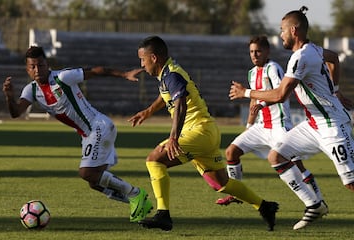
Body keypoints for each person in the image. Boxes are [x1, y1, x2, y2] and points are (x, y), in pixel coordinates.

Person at [128, 35, 279, 231]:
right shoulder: (168, 75)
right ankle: (264, 206)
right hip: (207, 132)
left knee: (155, 160)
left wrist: (173, 137)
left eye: (143, 59)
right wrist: (148, 111)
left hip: (198, 131)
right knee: (220, 183)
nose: (142, 63)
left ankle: (163, 214)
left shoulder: (171, 75)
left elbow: (180, 102)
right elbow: (167, 95)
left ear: (154, 58)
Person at [229, 6, 354, 230]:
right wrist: (335, 90)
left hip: (333, 126)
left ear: (294, 30)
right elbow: (333, 58)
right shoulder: (314, 49)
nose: (281, 35)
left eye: (282, 31)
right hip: (313, 124)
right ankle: (314, 204)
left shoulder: (300, 58)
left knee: (351, 182)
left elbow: (280, 95)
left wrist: (246, 93)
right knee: (276, 156)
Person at [2, 46, 153, 223]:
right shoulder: (32, 90)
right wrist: (9, 97)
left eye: (41, 65)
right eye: (32, 66)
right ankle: (138, 202)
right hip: (88, 134)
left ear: (47, 65)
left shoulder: (62, 78)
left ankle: (135, 194)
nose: (37, 70)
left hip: (99, 127)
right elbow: (15, 112)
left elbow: (96, 71)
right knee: (94, 182)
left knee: (86, 172)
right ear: (27, 69)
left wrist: (124, 74)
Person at [216, 35, 324, 206]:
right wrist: (249, 126)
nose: (254, 55)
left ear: (267, 51)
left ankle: (317, 199)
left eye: (258, 51)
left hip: (279, 126)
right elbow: (253, 99)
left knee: (297, 164)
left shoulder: (273, 68)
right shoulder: (252, 73)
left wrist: (263, 103)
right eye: (251, 52)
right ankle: (236, 193)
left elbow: (282, 93)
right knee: (231, 152)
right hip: (260, 127)